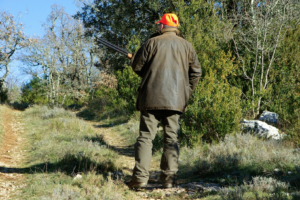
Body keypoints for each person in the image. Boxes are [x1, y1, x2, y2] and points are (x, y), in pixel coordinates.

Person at [128, 13, 201, 189]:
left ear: (162, 26)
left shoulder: (152, 42)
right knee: (171, 139)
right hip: (176, 100)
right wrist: (185, 93)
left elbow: (137, 66)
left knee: (146, 138)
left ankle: (140, 180)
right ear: (175, 27)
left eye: (159, 25)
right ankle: (168, 180)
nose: (158, 27)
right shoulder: (187, 46)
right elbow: (196, 73)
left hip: (150, 98)